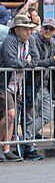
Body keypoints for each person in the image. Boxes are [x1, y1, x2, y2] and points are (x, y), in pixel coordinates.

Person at [22, 18, 55, 160]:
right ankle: (28, 144)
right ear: (41, 28)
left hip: (44, 83)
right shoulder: (33, 40)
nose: (48, 31)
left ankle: (25, 137)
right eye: (46, 28)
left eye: (51, 29)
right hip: (31, 82)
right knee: (30, 115)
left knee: (47, 114)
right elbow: (37, 63)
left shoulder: (54, 42)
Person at [0, 14, 39, 162]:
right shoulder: (9, 41)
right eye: (25, 29)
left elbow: (35, 60)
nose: (29, 32)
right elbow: (11, 62)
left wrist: (27, 62)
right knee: (10, 115)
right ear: (16, 30)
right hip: (5, 82)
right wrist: (26, 62)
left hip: (18, 85)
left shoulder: (31, 41)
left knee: (12, 116)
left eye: (30, 29)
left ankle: (7, 148)